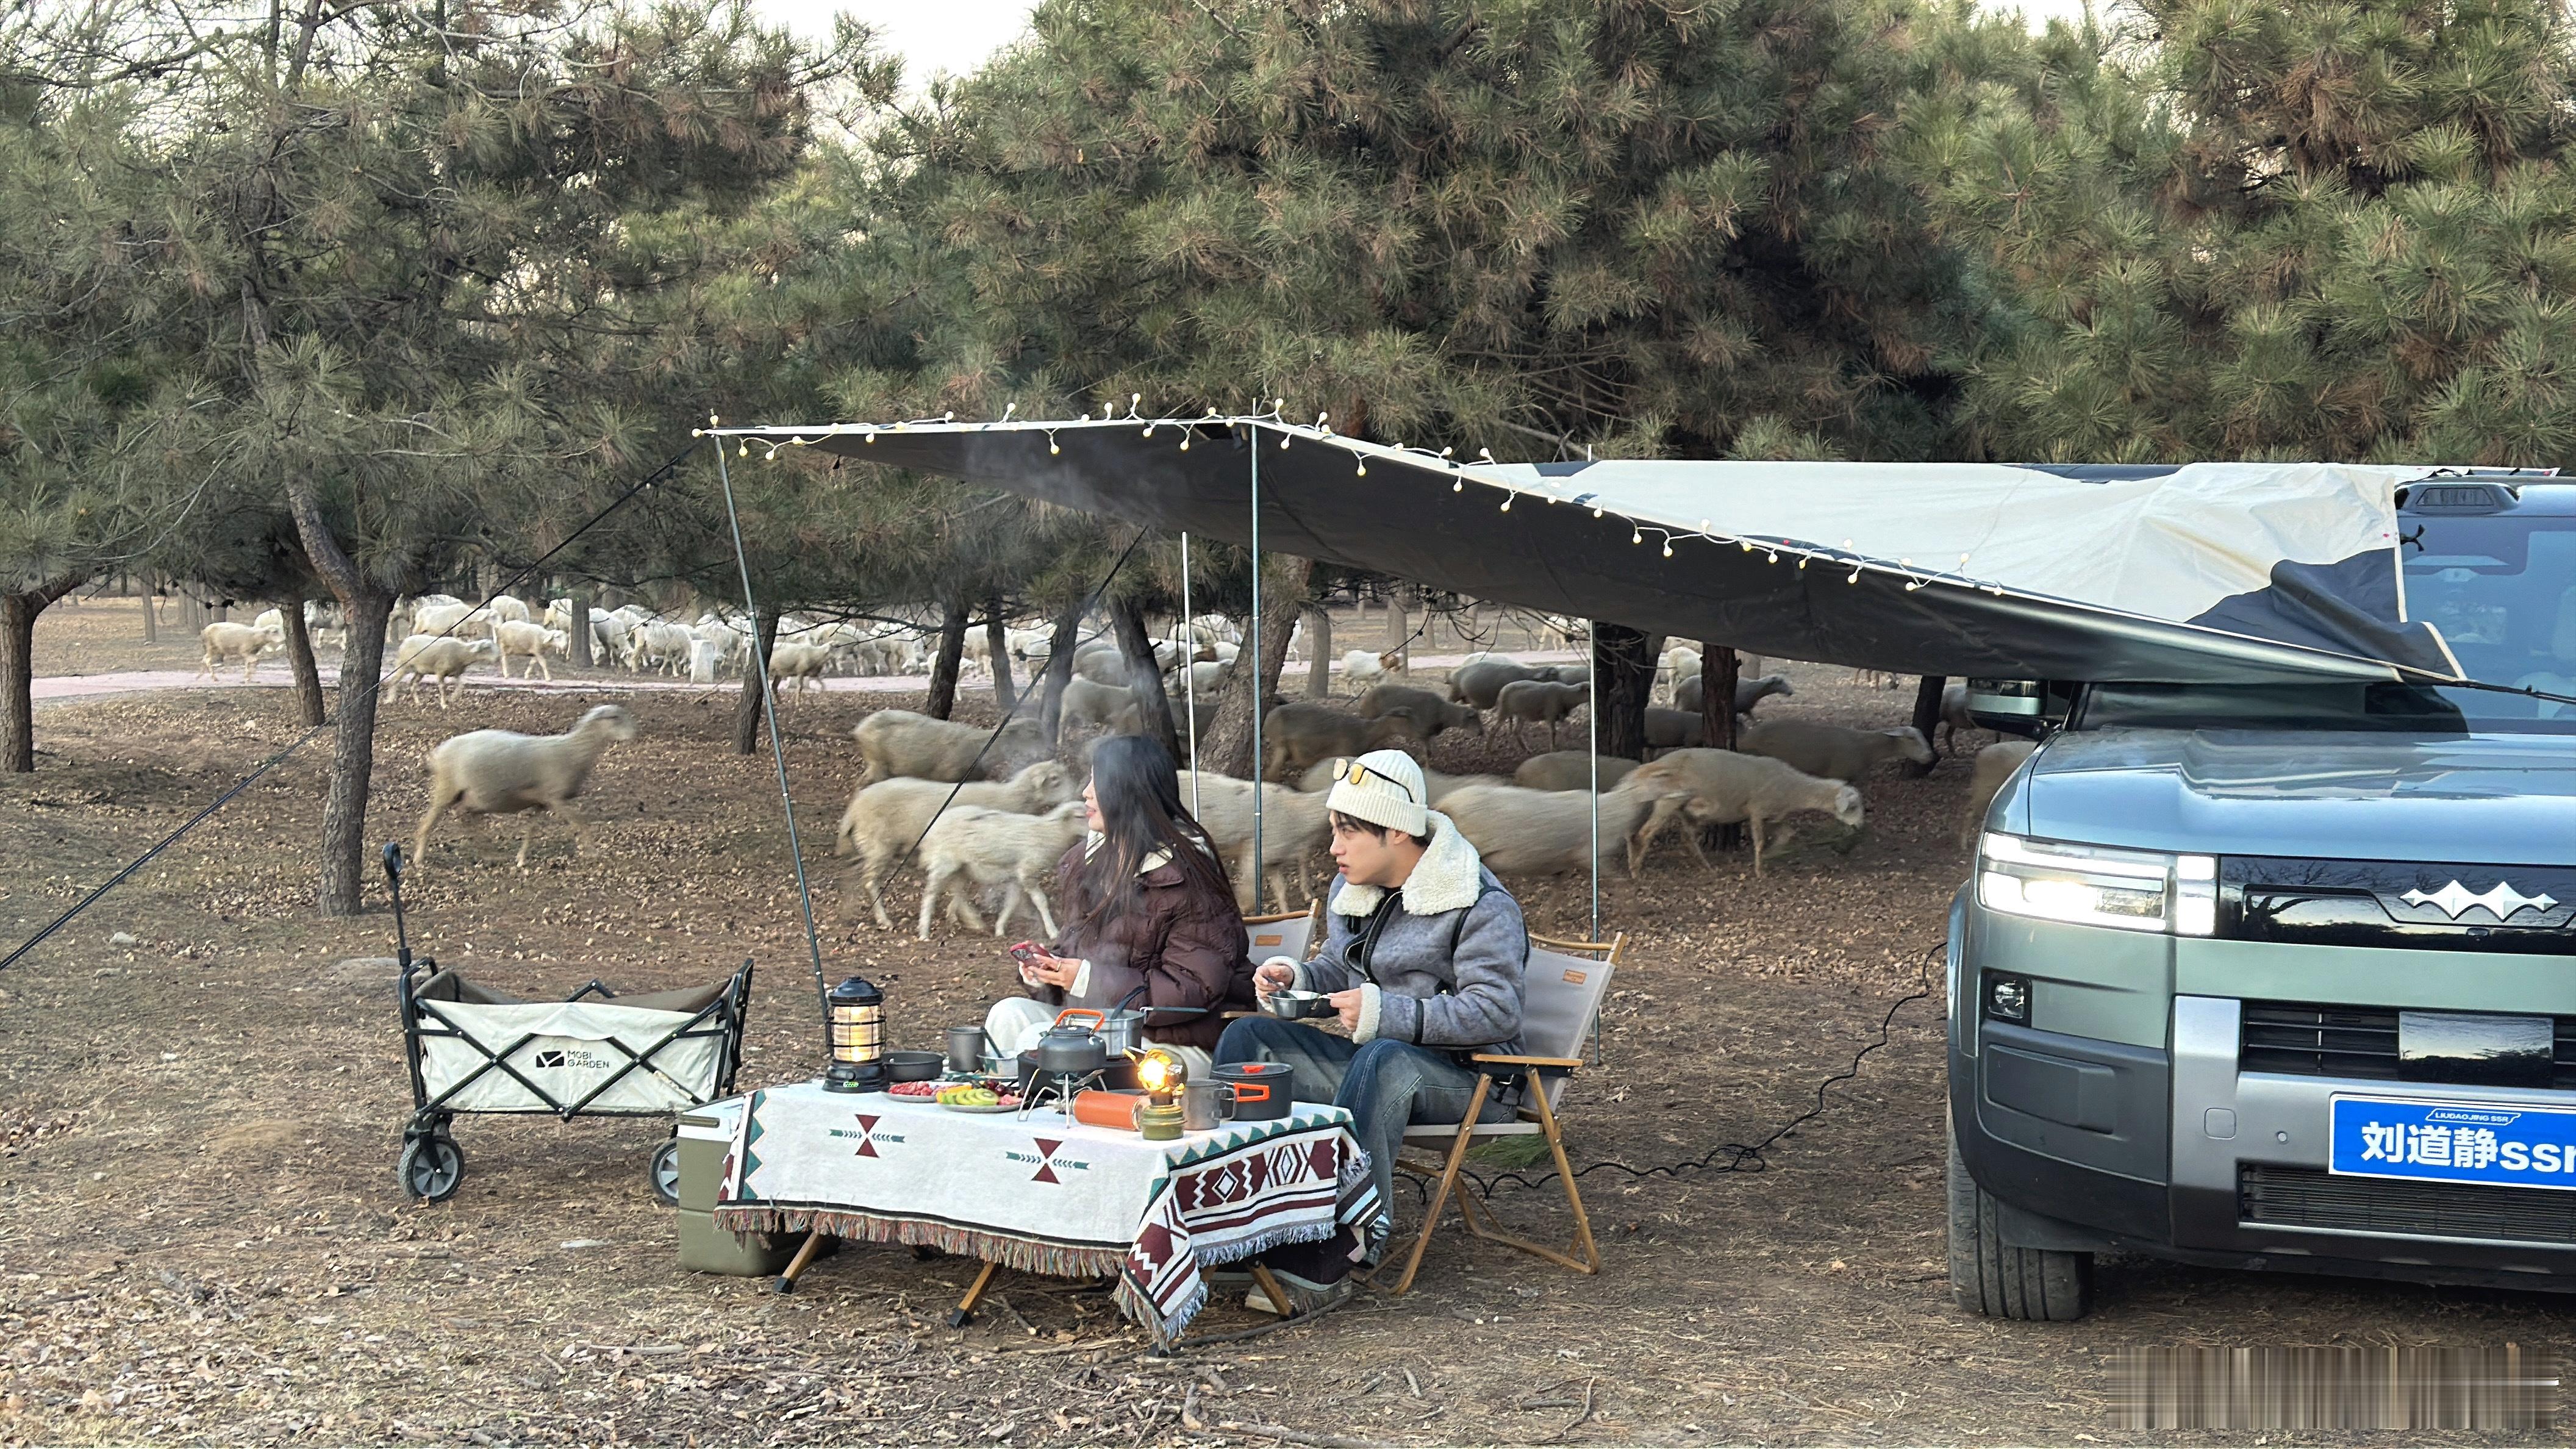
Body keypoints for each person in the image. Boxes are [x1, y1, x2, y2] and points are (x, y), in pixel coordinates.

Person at [1212, 748, 1528, 1303]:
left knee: (1384, 1058)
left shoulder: (1478, 902)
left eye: (1349, 832)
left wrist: (1386, 1012)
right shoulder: (1354, 889)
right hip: (1379, 1063)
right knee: (1247, 1038)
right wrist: (1298, 977)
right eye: (1334, 828)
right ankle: (1248, 1226)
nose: (1332, 846)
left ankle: (1343, 1246)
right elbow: (1342, 967)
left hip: (1476, 1078)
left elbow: (1496, 1011)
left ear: (1398, 834)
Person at [983, 734, 1255, 1079]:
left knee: (1042, 1042)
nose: (1086, 792)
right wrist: (1048, 973)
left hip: (1173, 1048)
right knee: (1008, 1016)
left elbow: (1192, 990)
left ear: (1130, 792)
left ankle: (1053, 1120)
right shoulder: (1092, 866)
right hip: (1102, 1027)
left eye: (1099, 781)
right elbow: (1078, 962)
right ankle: (1016, 1121)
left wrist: (1086, 979)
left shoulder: (1190, 880)